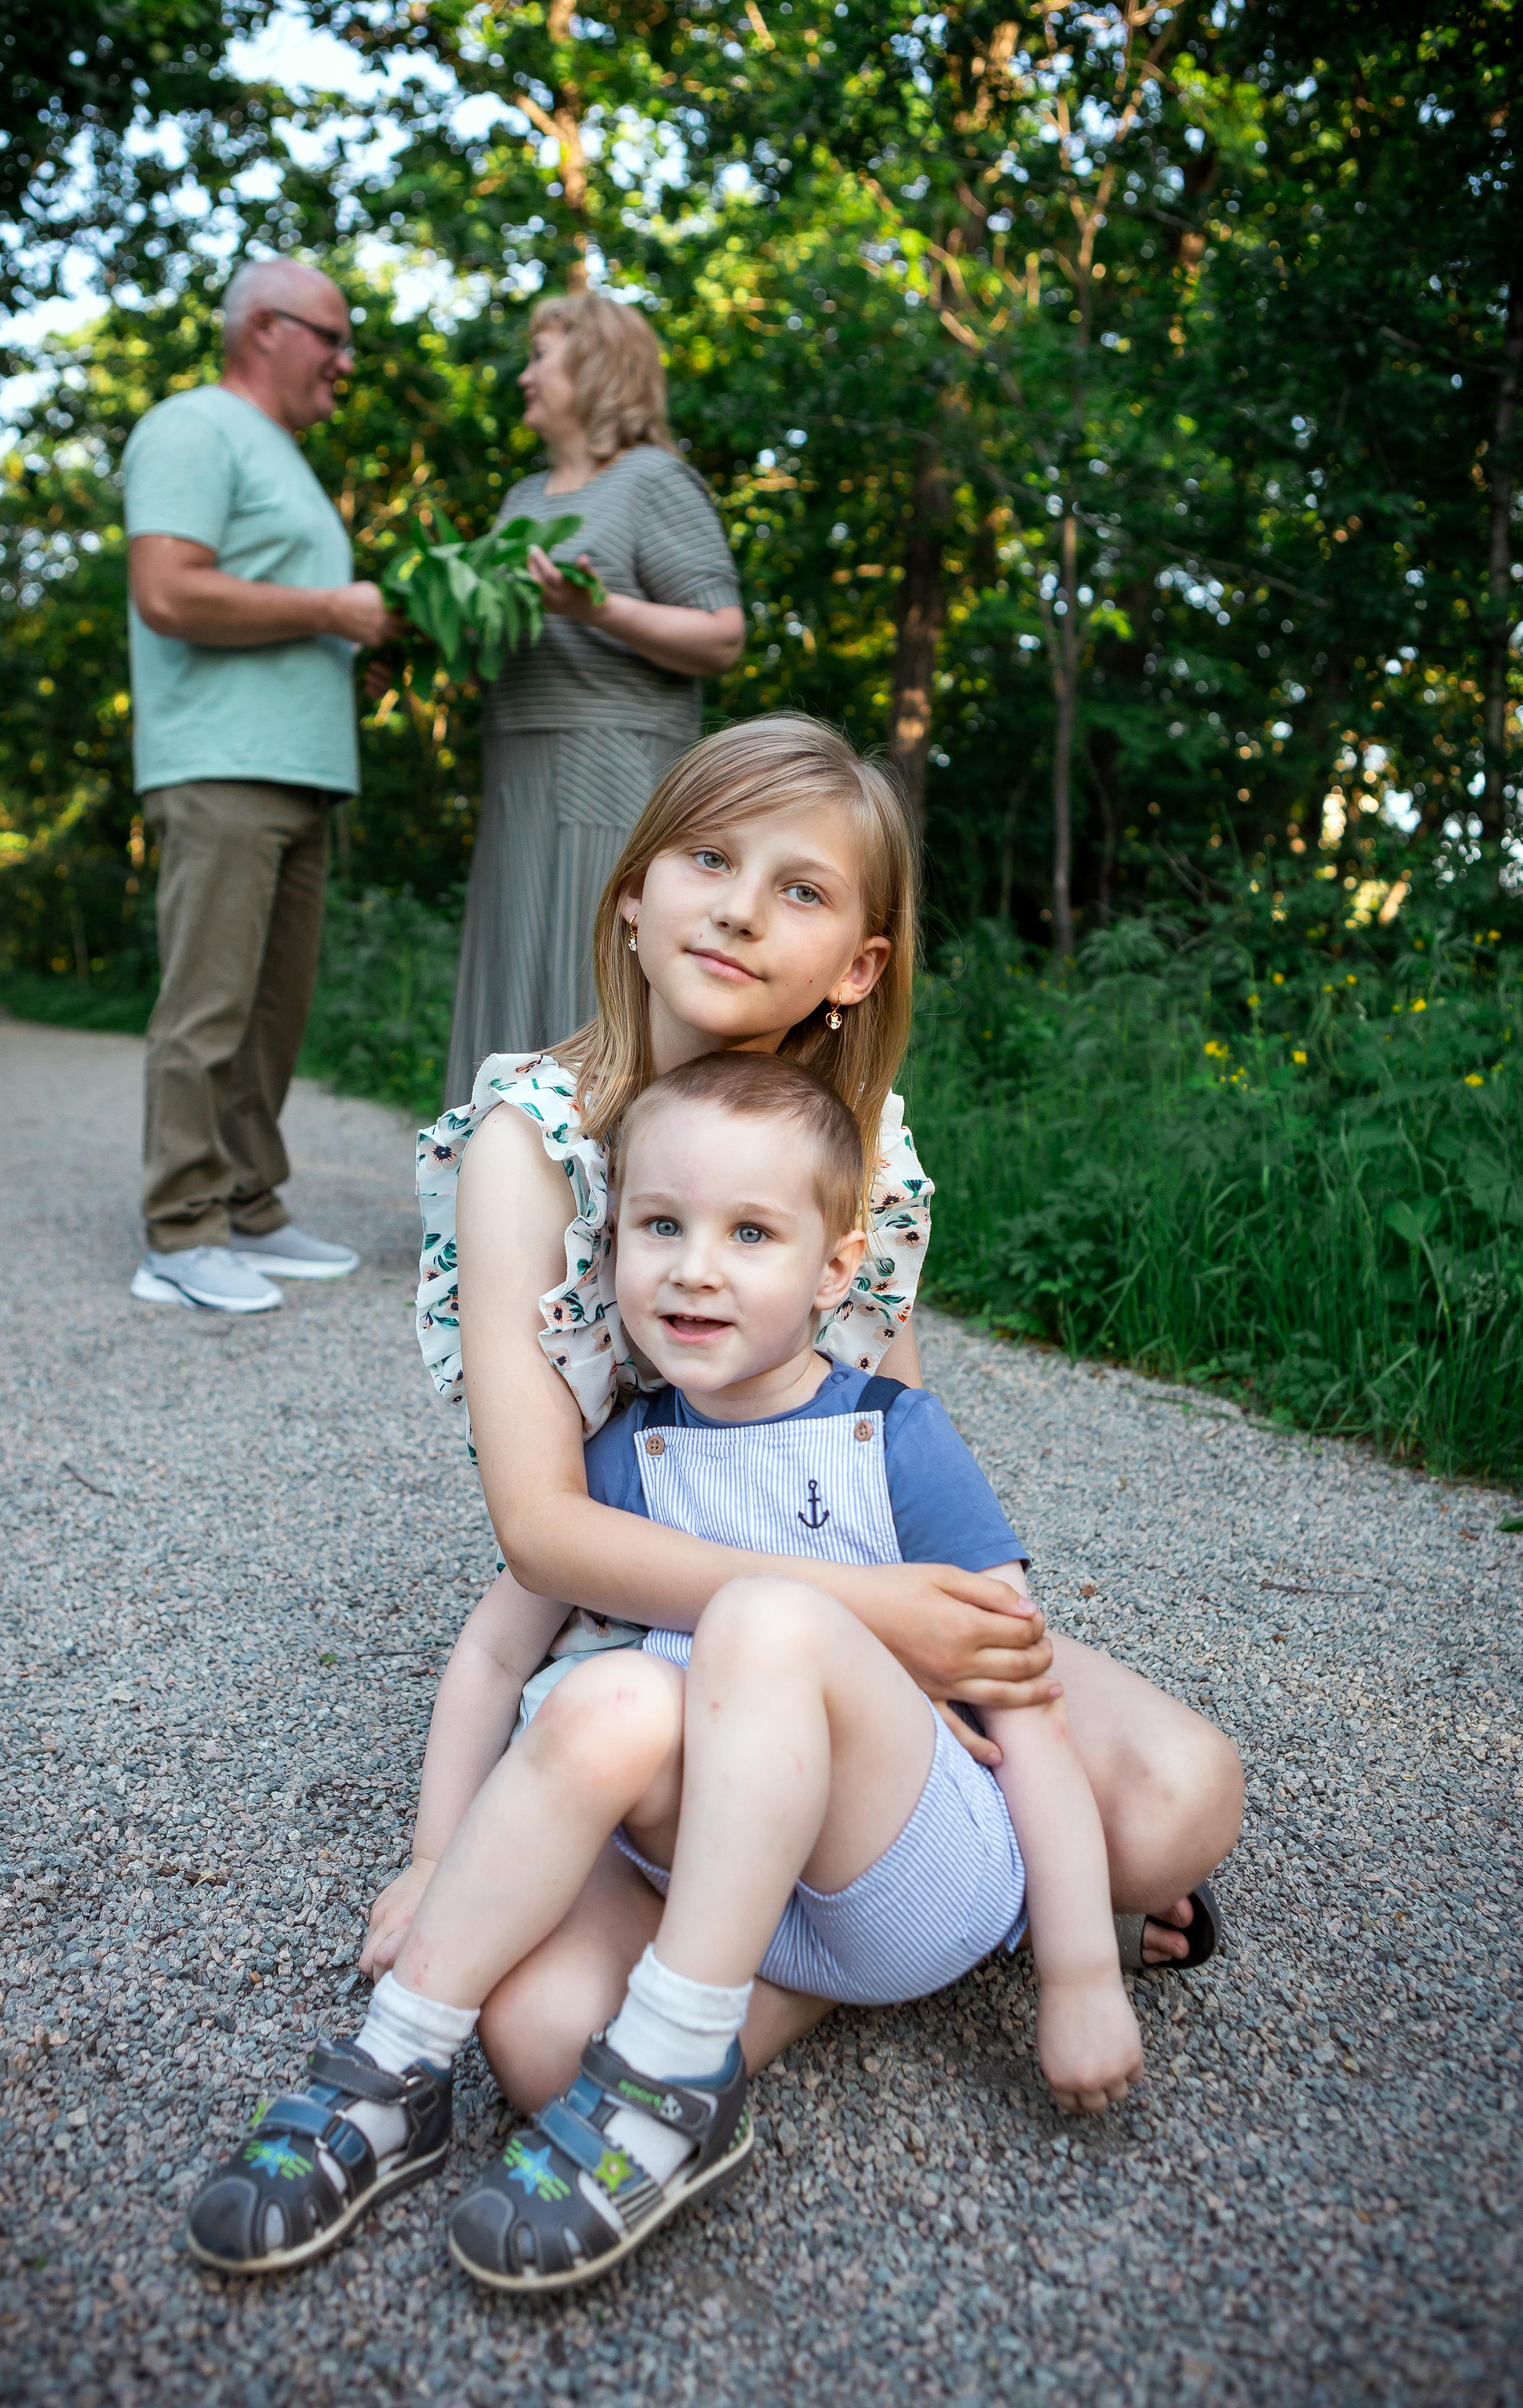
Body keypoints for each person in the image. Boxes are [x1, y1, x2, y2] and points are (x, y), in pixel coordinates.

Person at [370, 714, 1243, 2116]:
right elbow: (539, 1529)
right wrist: (867, 1616)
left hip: (847, 1577)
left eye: (801, 887)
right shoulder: (527, 1144)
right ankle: (874, 1942)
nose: (736, 906)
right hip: (639, 1624)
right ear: (633, 894)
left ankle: (913, 1908)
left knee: (1177, 1800)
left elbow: (888, 1411)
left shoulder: (865, 1143)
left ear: (855, 964)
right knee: (542, 2050)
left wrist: (922, 1635)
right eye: (708, 856)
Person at [184, 1052, 1157, 2288]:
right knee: (606, 1703)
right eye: (659, 1225)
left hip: (902, 1872)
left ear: (832, 1269)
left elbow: (1027, 1713)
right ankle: (396, 2063)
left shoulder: (892, 1437)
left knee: (762, 1615)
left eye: (750, 1232)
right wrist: (433, 1861)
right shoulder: (626, 1454)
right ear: (609, 1253)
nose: (693, 1265)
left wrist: (1076, 1970)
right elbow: (493, 1649)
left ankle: (675, 2069)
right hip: (732, 1888)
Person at [122, 256, 393, 1314]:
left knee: (272, 1013)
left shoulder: (283, 458)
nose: (345, 360)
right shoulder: (195, 426)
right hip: (221, 765)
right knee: (208, 1007)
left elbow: (279, 605)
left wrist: (348, 648)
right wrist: (331, 612)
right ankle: (179, 1230)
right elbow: (169, 591)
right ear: (265, 330)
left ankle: (247, 1200)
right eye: (332, 336)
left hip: (299, 772)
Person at [443, 290, 745, 1107]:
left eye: (540, 356)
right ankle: (484, 1208)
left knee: (589, 981)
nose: (523, 376)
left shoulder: (652, 481)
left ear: (597, 365)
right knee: (509, 972)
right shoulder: (523, 500)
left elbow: (722, 633)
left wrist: (596, 608)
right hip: (517, 760)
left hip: (609, 769)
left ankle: (598, 1210)